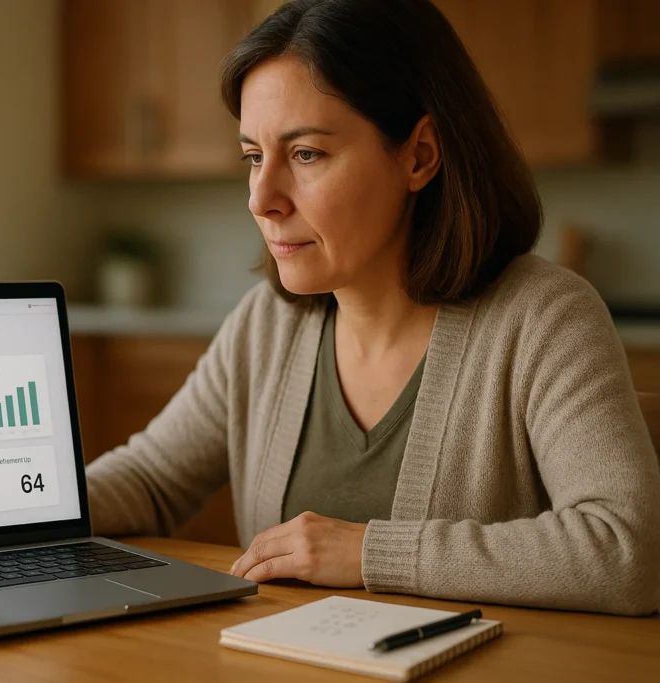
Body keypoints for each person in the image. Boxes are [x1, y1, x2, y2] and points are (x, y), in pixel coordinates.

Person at [85, 0, 660, 616]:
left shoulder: (544, 318)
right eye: (254, 156)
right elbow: (147, 481)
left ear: (418, 156)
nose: (262, 198)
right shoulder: (266, 325)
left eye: (306, 154)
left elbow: (626, 552)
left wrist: (369, 553)